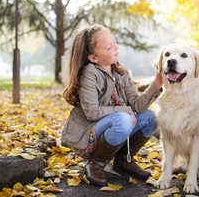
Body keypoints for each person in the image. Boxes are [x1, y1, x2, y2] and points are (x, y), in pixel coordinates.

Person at [61, 24, 163, 186]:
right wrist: (125, 111)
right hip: (89, 136)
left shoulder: (121, 73)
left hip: (114, 129)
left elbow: (136, 106)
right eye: (109, 47)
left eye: (114, 42)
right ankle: (96, 163)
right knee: (123, 119)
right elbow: (92, 112)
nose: (115, 47)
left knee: (152, 117)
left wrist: (157, 84)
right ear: (94, 58)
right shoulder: (89, 73)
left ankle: (123, 161)